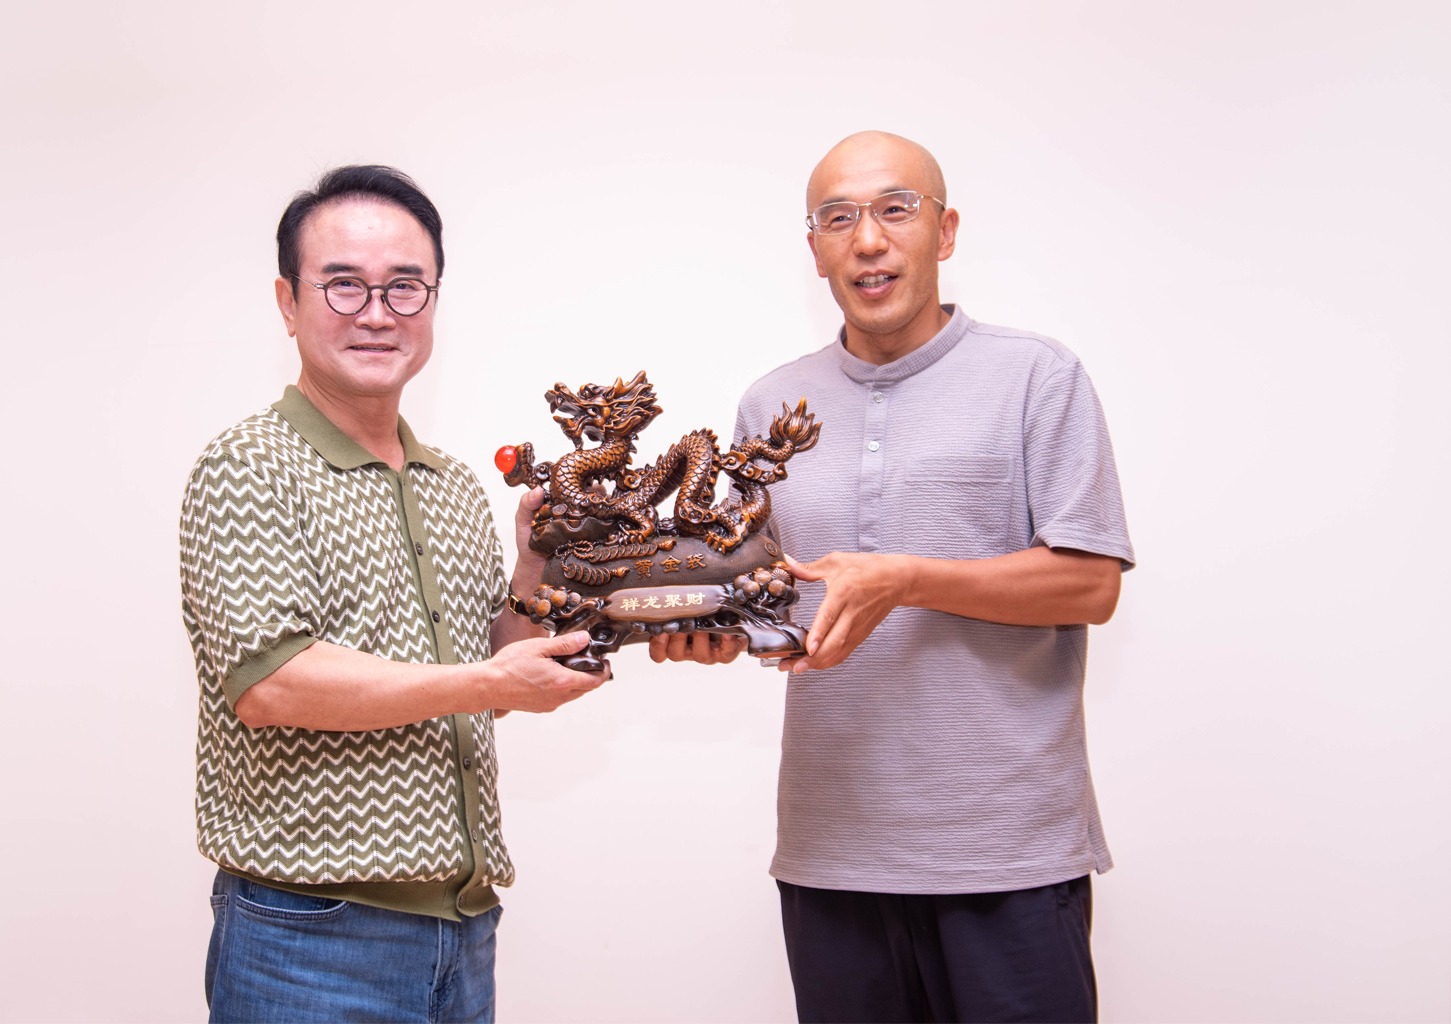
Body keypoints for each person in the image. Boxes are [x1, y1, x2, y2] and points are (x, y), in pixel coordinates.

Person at [652, 132, 1135, 1023]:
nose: (868, 239)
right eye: (838, 218)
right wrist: (704, 631)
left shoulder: (1038, 377)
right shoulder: (769, 407)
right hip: (831, 855)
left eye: (894, 209)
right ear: (815, 249)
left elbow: (1090, 585)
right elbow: (763, 599)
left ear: (944, 231)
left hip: (1008, 856)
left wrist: (908, 578)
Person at [178, 164, 602, 1023]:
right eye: (343, 284)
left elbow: (489, 679)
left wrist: (532, 567)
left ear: (434, 302)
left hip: (463, 933)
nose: (377, 313)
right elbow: (272, 685)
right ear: (288, 303)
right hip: (307, 943)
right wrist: (488, 682)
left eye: (405, 287)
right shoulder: (248, 466)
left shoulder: (452, 485)